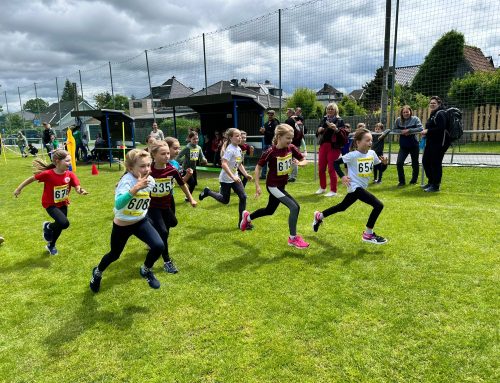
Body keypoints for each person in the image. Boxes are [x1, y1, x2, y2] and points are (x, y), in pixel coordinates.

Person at [89, 149, 164, 293]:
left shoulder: (150, 181)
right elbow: (118, 204)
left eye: (149, 165)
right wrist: (135, 189)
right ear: (130, 168)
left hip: (140, 222)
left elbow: (146, 198)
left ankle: (146, 270)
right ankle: (97, 272)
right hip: (122, 226)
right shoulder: (127, 182)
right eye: (142, 166)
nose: (147, 169)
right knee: (114, 255)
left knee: (158, 245)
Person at [312, 127, 388, 244]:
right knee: (378, 205)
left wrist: (384, 164)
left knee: (342, 207)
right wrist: (342, 176)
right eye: (367, 140)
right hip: (354, 187)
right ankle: (368, 234)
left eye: (371, 140)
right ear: (358, 142)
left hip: (361, 187)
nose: (370, 143)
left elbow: (380, 169)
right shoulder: (352, 155)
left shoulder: (372, 153)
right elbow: (336, 163)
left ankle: (319, 216)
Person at [240, 124, 309, 249]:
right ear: (279, 137)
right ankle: (293, 238)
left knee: (269, 210)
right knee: (295, 207)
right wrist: (257, 186)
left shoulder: (291, 148)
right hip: (273, 186)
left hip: (281, 186)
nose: (290, 141)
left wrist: (300, 163)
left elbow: (304, 160)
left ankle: (247, 217)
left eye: (291, 138)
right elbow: (258, 167)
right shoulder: (270, 151)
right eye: (288, 138)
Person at [13, 149, 88, 255]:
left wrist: (81, 191)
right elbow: (32, 179)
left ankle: (51, 245)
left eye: (70, 161)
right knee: (64, 223)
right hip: (50, 204)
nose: (69, 163)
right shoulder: (48, 174)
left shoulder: (70, 175)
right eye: (67, 161)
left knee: (61, 226)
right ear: (57, 161)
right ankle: (48, 227)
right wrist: (19, 189)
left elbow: (77, 187)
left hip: (63, 203)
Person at [148, 141, 197, 274]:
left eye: (167, 153)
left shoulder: (172, 169)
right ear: (153, 155)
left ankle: (155, 236)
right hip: (153, 207)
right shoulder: (148, 170)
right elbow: (133, 175)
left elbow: (182, 184)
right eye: (162, 153)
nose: (166, 156)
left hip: (166, 205)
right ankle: (167, 261)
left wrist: (191, 198)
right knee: (163, 232)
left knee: (173, 223)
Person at [199, 128, 253, 228]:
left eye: (240, 136)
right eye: (237, 136)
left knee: (243, 197)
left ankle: (242, 223)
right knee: (225, 200)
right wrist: (232, 176)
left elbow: (239, 164)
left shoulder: (238, 149)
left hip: (235, 178)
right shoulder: (230, 149)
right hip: (226, 179)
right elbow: (224, 164)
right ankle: (208, 192)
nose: (239, 137)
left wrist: (245, 175)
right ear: (230, 138)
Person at [315, 102, 348, 197]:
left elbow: (343, 135)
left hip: (334, 147)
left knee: (331, 168)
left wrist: (336, 129)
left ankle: (333, 190)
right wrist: (319, 130)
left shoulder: (340, 120)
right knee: (321, 168)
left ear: (335, 110)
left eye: (331, 109)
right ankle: (322, 187)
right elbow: (317, 132)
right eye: (328, 109)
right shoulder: (324, 119)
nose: (329, 110)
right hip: (323, 145)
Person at [421, 96, 450, 192]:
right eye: (431, 103)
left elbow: (440, 129)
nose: (432, 104)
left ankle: (435, 185)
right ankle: (431, 182)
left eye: (434, 103)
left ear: (439, 104)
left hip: (439, 143)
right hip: (431, 142)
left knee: (435, 163)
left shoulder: (441, 113)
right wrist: (426, 134)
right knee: (426, 161)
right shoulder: (434, 113)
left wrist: (427, 131)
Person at [393, 105, 423, 186]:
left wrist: (409, 130)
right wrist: (401, 131)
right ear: (401, 113)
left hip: (414, 145)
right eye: (404, 112)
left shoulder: (415, 119)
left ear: (410, 112)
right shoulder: (398, 120)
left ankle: (414, 180)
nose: (406, 113)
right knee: (399, 163)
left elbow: (421, 128)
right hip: (403, 145)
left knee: (415, 163)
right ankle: (401, 181)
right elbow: (394, 129)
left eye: (407, 112)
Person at [177, 131, 207, 197]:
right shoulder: (187, 148)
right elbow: (178, 156)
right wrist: (181, 164)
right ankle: (188, 197)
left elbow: (202, 157)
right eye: (194, 139)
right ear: (190, 139)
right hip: (186, 169)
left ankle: (187, 195)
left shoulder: (199, 148)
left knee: (194, 184)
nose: (196, 140)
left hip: (193, 168)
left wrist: (204, 160)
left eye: (197, 138)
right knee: (192, 184)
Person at [259, 110, 280, 179]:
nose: (270, 116)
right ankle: (263, 175)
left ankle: (274, 174)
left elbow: (274, 134)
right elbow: (265, 133)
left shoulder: (275, 123)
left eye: (271, 114)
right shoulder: (266, 123)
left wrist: (265, 131)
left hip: (272, 144)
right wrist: (262, 131)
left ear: (274, 115)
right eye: (269, 114)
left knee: (273, 160)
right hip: (266, 143)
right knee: (264, 159)